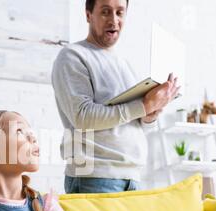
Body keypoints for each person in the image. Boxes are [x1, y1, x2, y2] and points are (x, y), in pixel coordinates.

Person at [52, 0, 180, 194]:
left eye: (120, 12)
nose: (114, 20)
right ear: (88, 15)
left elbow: (134, 123)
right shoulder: (72, 56)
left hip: (133, 177)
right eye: (105, 12)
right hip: (94, 178)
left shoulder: (124, 64)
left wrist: (150, 114)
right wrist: (143, 106)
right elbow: (82, 117)